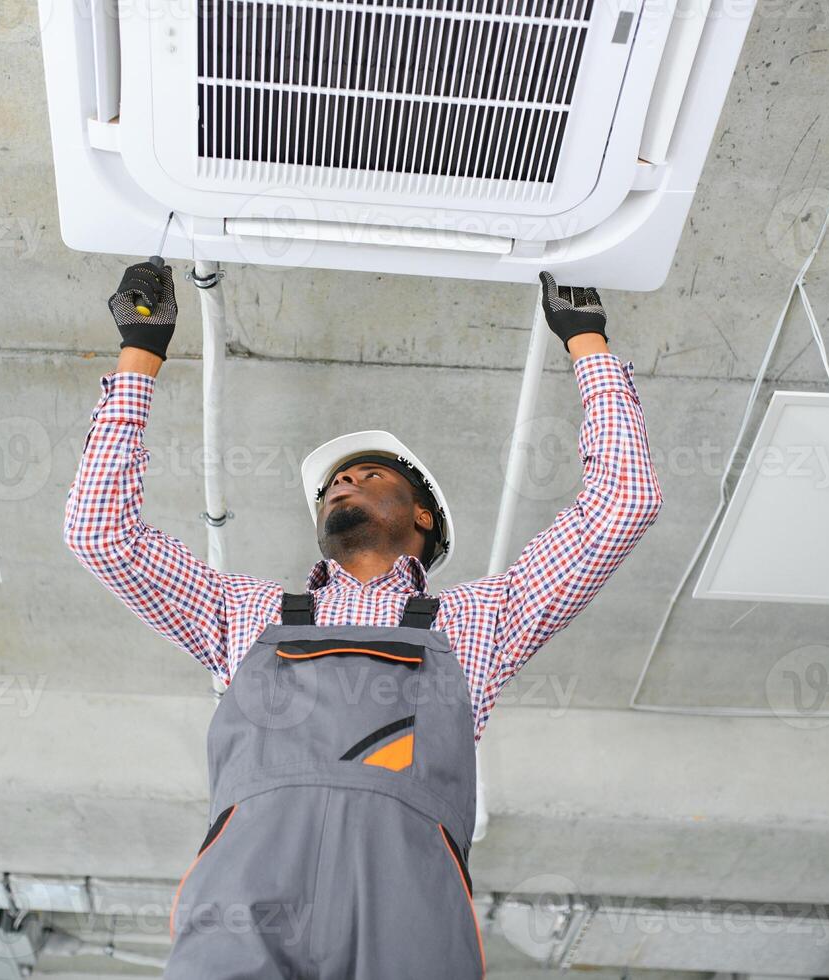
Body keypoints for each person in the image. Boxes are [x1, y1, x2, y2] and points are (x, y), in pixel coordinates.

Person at [64, 262, 663, 979]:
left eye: (369, 474)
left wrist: (586, 341)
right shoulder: (245, 613)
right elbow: (100, 535)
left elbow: (623, 502)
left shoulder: (480, 619)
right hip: (250, 882)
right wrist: (141, 354)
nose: (341, 482)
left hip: (401, 890)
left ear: (421, 515)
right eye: (331, 485)